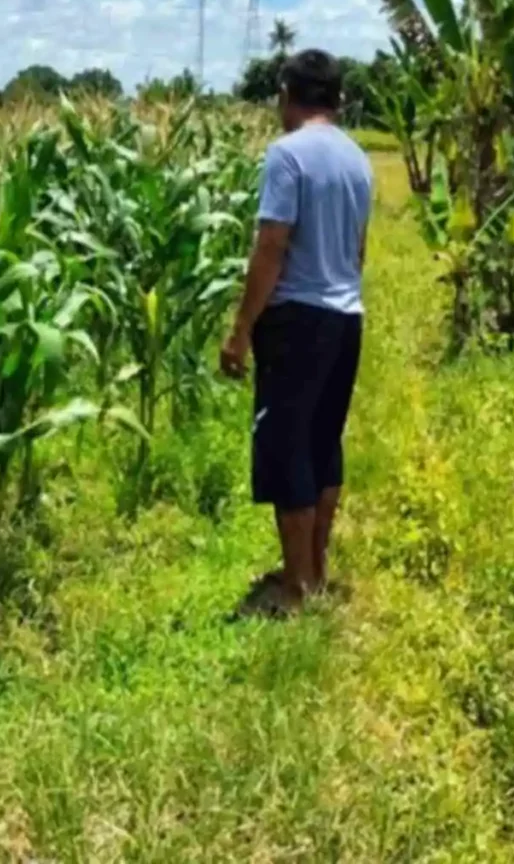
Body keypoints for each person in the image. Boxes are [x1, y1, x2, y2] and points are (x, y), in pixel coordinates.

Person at [220, 49, 372, 616]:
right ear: (335, 98)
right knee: (322, 442)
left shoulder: (287, 156)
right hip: (345, 315)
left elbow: (271, 247)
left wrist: (241, 329)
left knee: (287, 447)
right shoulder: (358, 159)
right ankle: (314, 570)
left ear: (288, 92)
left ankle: (294, 586)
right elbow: (358, 250)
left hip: (296, 320)